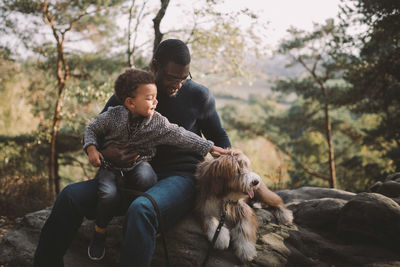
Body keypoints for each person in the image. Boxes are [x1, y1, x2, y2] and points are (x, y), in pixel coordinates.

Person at [33, 38, 231, 267]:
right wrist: (106, 153)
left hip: (179, 179)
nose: (178, 84)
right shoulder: (130, 94)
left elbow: (220, 139)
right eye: (171, 77)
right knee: (70, 196)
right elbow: (95, 131)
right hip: (128, 175)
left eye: (184, 78)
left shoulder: (199, 95)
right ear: (155, 66)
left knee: (142, 209)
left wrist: (234, 167)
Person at [84, 68, 227, 260]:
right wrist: (95, 150)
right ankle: (100, 230)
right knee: (107, 194)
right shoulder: (114, 114)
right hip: (111, 168)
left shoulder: (156, 121)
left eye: (184, 78)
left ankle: (153, 219)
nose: (156, 102)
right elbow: (93, 128)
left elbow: (180, 134)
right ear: (130, 103)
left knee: (146, 179)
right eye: (151, 98)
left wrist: (210, 147)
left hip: (143, 166)